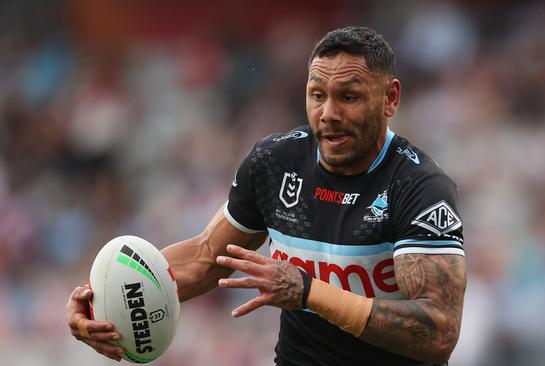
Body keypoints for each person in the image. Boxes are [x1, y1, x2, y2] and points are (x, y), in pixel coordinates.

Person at [66, 26, 466, 366]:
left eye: (349, 97)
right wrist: (99, 302)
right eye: (316, 94)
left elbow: (437, 330)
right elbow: (207, 259)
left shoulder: (418, 187)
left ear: (390, 98)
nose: (328, 113)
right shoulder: (275, 164)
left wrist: (310, 292)